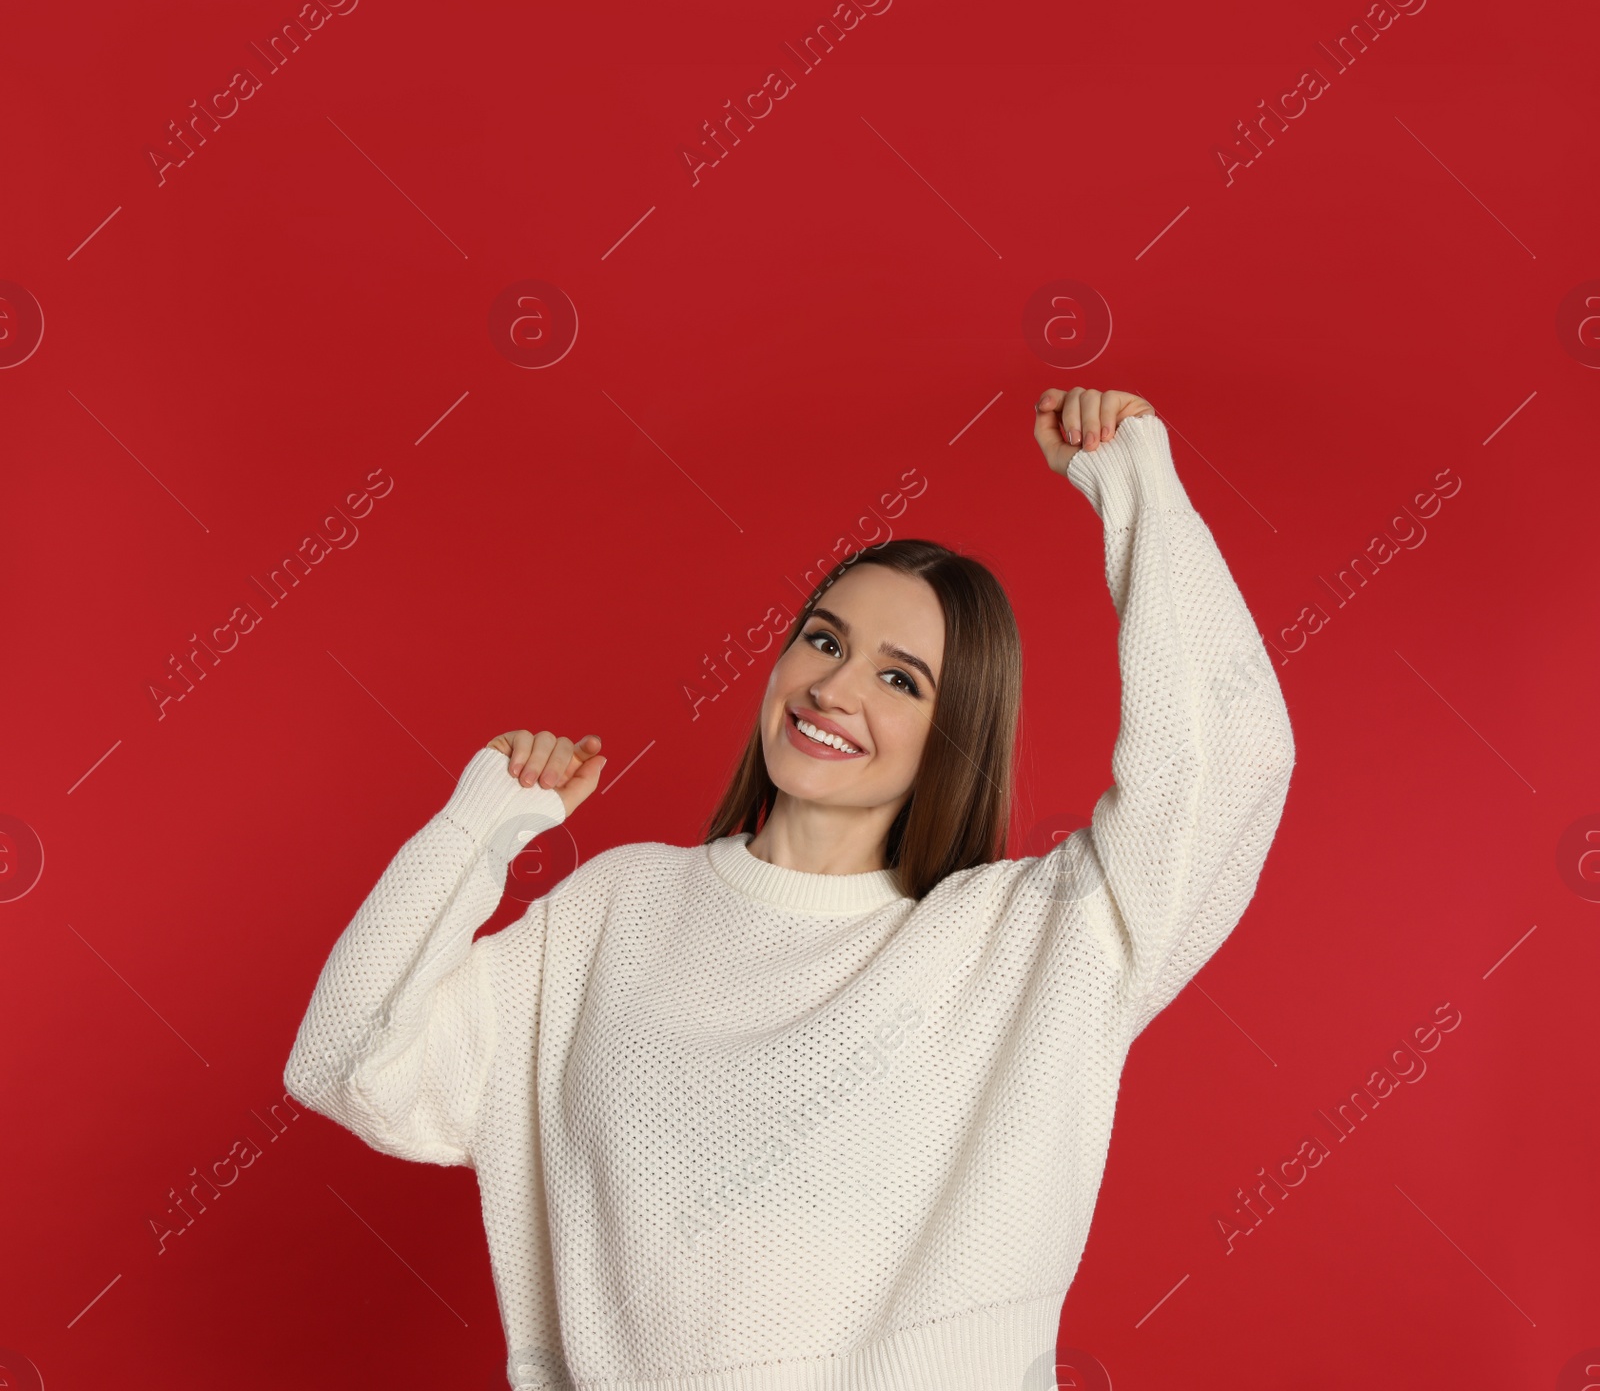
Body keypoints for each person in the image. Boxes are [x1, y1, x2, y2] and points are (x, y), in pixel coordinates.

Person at [282, 386, 1296, 1391]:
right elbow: (347, 1059)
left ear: (956, 732)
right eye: (823, 639)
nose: (834, 688)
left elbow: (1226, 765)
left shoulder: (1027, 948)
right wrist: (478, 828)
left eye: (901, 680)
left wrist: (1135, 487)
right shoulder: (612, 913)